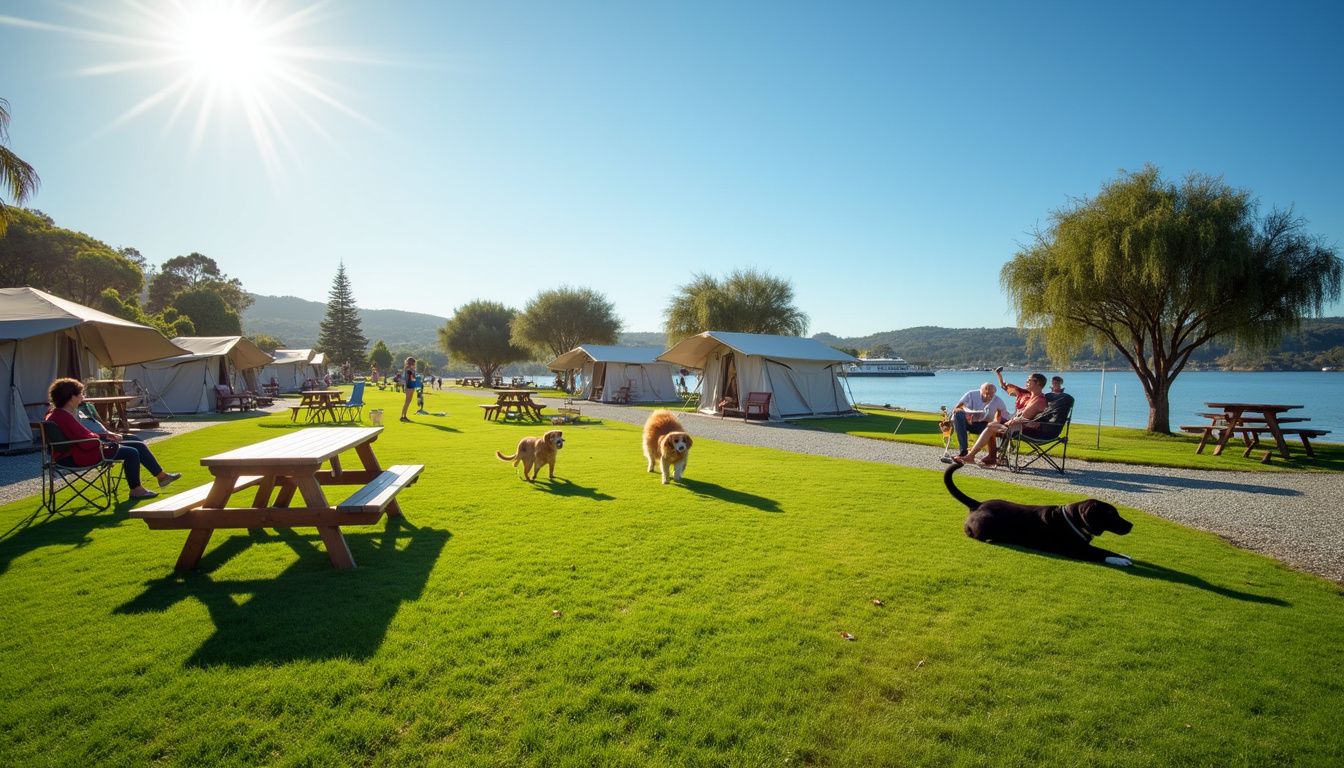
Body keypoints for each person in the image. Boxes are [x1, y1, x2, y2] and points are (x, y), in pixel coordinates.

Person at [44, 378, 180, 500]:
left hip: (77, 450)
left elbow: (82, 436)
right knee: (131, 452)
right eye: (80, 394)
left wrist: (105, 437)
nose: (82, 398)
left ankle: (161, 477)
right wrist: (105, 440)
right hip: (77, 455)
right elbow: (84, 439)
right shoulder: (64, 416)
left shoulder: (58, 414)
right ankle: (137, 489)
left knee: (135, 441)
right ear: (71, 397)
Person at [955, 373, 1050, 468]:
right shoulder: (1030, 396)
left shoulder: (1038, 401)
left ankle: (974, 456)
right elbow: (1010, 391)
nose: (1026, 381)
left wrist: (1007, 422)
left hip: (1021, 429)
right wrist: (1000, 376)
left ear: (1038, 383)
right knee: (991, 425)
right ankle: (990, 457)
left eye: (1029, 380)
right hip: (1018, 426)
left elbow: (1022, 419)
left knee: (991, 426)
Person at [941, 382, 1012, 463]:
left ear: (994, 393)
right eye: (985, 393)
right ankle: (963, 452)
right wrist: (967, 413)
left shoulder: (998, 401)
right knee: (958, 415)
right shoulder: (971, 395)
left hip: (983, 425)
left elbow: (1005, 415)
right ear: (980, 391)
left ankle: (991, 456)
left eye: (991, 394)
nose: (987, 396)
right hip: (966, 422)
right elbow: (957, 408)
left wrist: (1013, 418)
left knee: (991, 427)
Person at [399, 357, 418, 421]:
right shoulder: (408, 368)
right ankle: (402, 416)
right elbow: (409, 377)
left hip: (412, 385)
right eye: (413, 363)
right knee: (407, 401)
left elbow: (413, 377)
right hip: (409, 385)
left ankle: (404, 416)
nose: (414, 364)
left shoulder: (412, 369)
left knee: (409, 401)